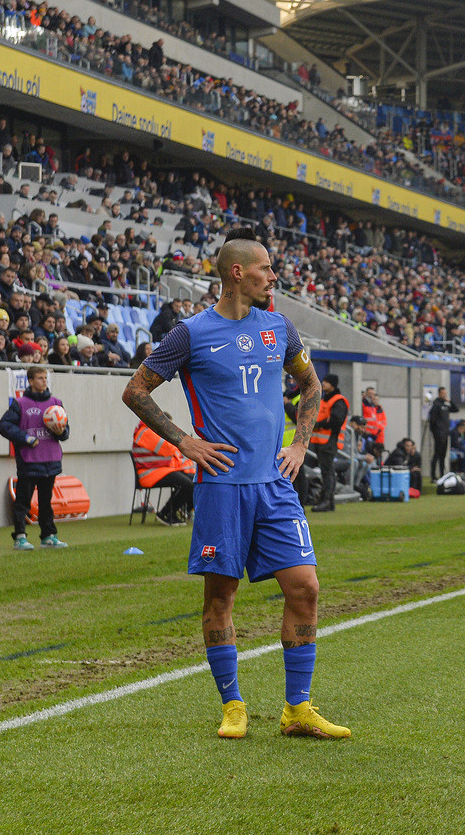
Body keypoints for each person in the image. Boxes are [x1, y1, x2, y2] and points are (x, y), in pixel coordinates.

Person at [121, 229, 348, 741]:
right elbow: (135, 390)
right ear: (238, 273)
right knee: (220, 597)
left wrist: (299, 444)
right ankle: (233, 705)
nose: (275, 276)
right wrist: (185, 441)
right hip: (222, 486)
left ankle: (297, 708)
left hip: (275, 483)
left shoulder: (279, 328)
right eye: (267, 268)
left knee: (306, 588)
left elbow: (310, 385)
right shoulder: (190, 333)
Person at [0, 366, 70, 550]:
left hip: (50, 460)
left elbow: (65, 432)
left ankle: (48, 535)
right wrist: (25, 438)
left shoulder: (56, 403)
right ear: (30, 381)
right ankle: (20, 537)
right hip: (29, 460)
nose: (44, 381)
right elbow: (4, 425)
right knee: (23, 501)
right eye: (39, 378)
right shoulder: (20, 404)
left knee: (46, 501)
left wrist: (61, 432)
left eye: (45, 378)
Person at [132, 413, 197, 525]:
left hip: (159, 470)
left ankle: (185, 511)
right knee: (187, 484)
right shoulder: (147, 433)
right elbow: (170, 448)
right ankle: (166, 513)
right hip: (150, 474)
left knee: (194, 480)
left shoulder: (150, 431)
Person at [309, 373, 349, 514]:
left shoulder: (338, 401)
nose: (323, 383)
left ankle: (326, 500)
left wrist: (319, 425)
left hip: (329, 440)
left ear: (333, 384)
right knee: (326, 471)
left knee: (327, 472)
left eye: (326, 382)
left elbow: (336, 420)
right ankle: (328, 501)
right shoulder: (326, 399)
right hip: (322, 441)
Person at [427, 386, 459, 480]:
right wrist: (436, 432)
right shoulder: (436, 405)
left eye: (446, 393)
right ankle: (433, 475)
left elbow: (456, 409)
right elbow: (432, 421)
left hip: (445, 433)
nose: (445, 395)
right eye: (443, 393)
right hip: (439, 433)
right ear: (439, 394)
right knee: (437, 454)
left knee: (443, 455)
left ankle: (442, 474)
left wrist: (450, 401)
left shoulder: (445, 404)